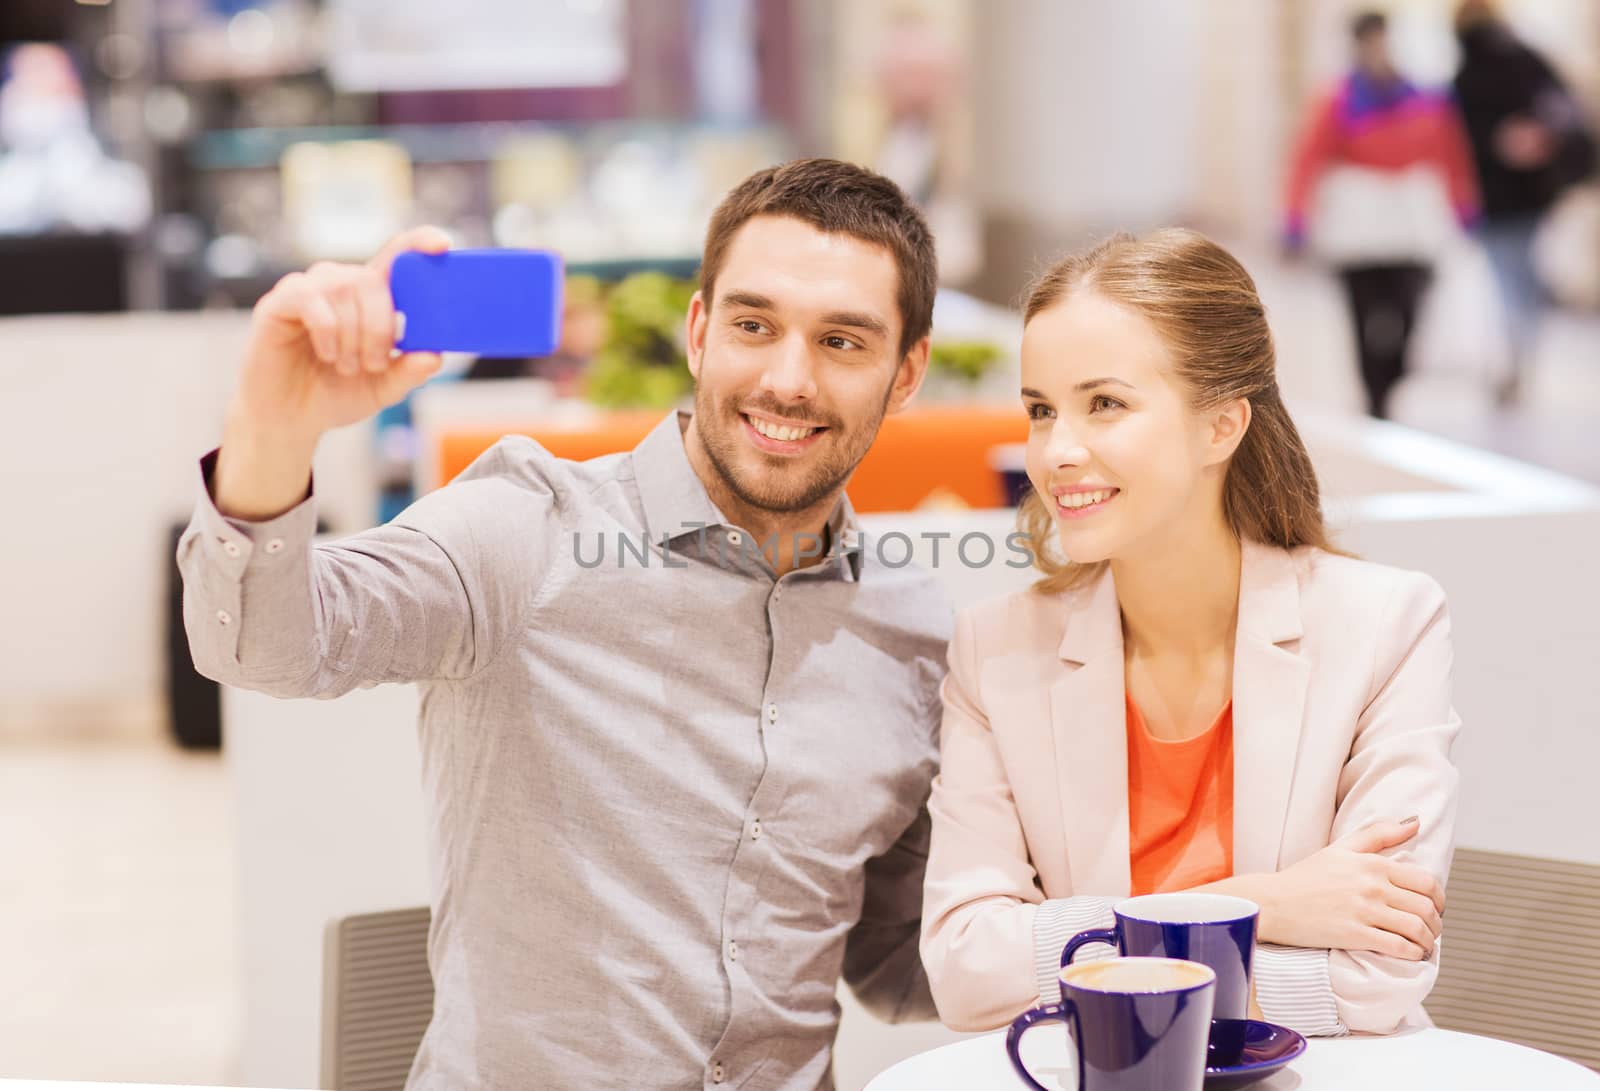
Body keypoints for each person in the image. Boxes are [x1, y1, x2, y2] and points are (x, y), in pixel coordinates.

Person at [177, 158, 950, 1090]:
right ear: (701, 332)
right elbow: (262, 642)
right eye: (754, 324)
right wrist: (275, 423)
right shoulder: (529, 526)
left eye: (842, 342)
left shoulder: (911, 636)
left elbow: (900, 965)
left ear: (906, 373)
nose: (788, 380)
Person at [919, 229, 1461, 1038]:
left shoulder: (1386, 624)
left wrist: (1094, 962)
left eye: (1105, 403)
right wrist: (1256, 905)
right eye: (1040, 410)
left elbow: (1376, 976)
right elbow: (965, 969)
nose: (1057, 450)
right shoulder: (996, 650)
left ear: (1222, 426)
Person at [1283, 11, 1481, 419]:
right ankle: (1374, 393)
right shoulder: (1339, 100)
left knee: (1410, 308)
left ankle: (1393, 376)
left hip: (1410, 224)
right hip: (1358, 225)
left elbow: (1451, 153)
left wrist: (1464, 204)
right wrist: (1295, 218)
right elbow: (1307, 158)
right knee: (1361, 313)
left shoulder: (1426, 98)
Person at [1453, 0, 1597, 406]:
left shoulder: (1467, 73)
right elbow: (1564, 109)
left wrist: (1520, 140)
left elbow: (1461, 137)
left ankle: (1513, 353)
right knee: (1519, 276)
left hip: (1499, 197)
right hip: (1530, 194)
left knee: (1508, 277)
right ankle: (1518, 351)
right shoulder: (1527, 60)